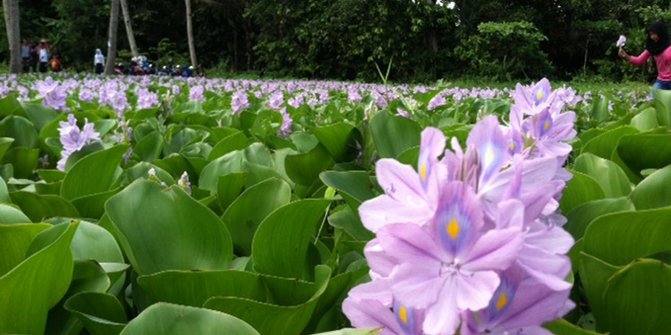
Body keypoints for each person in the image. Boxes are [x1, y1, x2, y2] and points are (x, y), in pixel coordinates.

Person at [619, 22, 671, 90]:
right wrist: (626, 56)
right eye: (651, 34)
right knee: (651, 98)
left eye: (654, 34)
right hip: (661, 81)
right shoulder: (652, 48)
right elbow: (639, 60)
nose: (652, 37)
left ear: (661, 33)